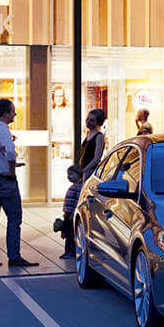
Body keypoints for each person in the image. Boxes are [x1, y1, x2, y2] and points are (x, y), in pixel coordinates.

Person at [0, 98, 34, 268]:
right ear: (5, 113)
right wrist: (11, 169)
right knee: (14, 218)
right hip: (4, 181)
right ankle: (14, 256)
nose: (15, 114)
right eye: (12, 111)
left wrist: (3, 165)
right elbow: (10, 151)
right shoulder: (3, 130)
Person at [59, 107, 106, 259]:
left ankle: (77, 245)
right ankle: (71, 245)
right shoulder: (88, 134)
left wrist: (84, 170)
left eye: (92, 120)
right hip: (83, 174)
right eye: (87, 119)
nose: (88, 122)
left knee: (80, 208)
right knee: (72, 207)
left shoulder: (99, 136)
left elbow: (97, 157)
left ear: (98, 122)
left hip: (88, 174)